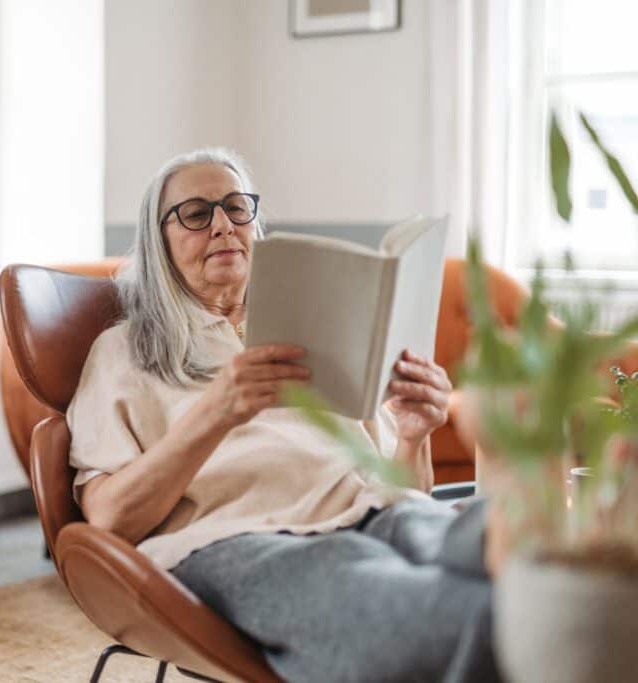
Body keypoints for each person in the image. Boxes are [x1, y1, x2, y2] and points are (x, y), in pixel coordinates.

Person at [66, 148, 500, 682]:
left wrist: (414, 438)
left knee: (504, 552)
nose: (223, 225)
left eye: (235, 207)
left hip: (375, 514)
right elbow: (107, 518)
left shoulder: (316, 331)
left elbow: (405, 492)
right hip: (242, 541)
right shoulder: (126, 352)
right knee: (435, 609)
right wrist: (216, 414)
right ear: (159, 242)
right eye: (197, 214)